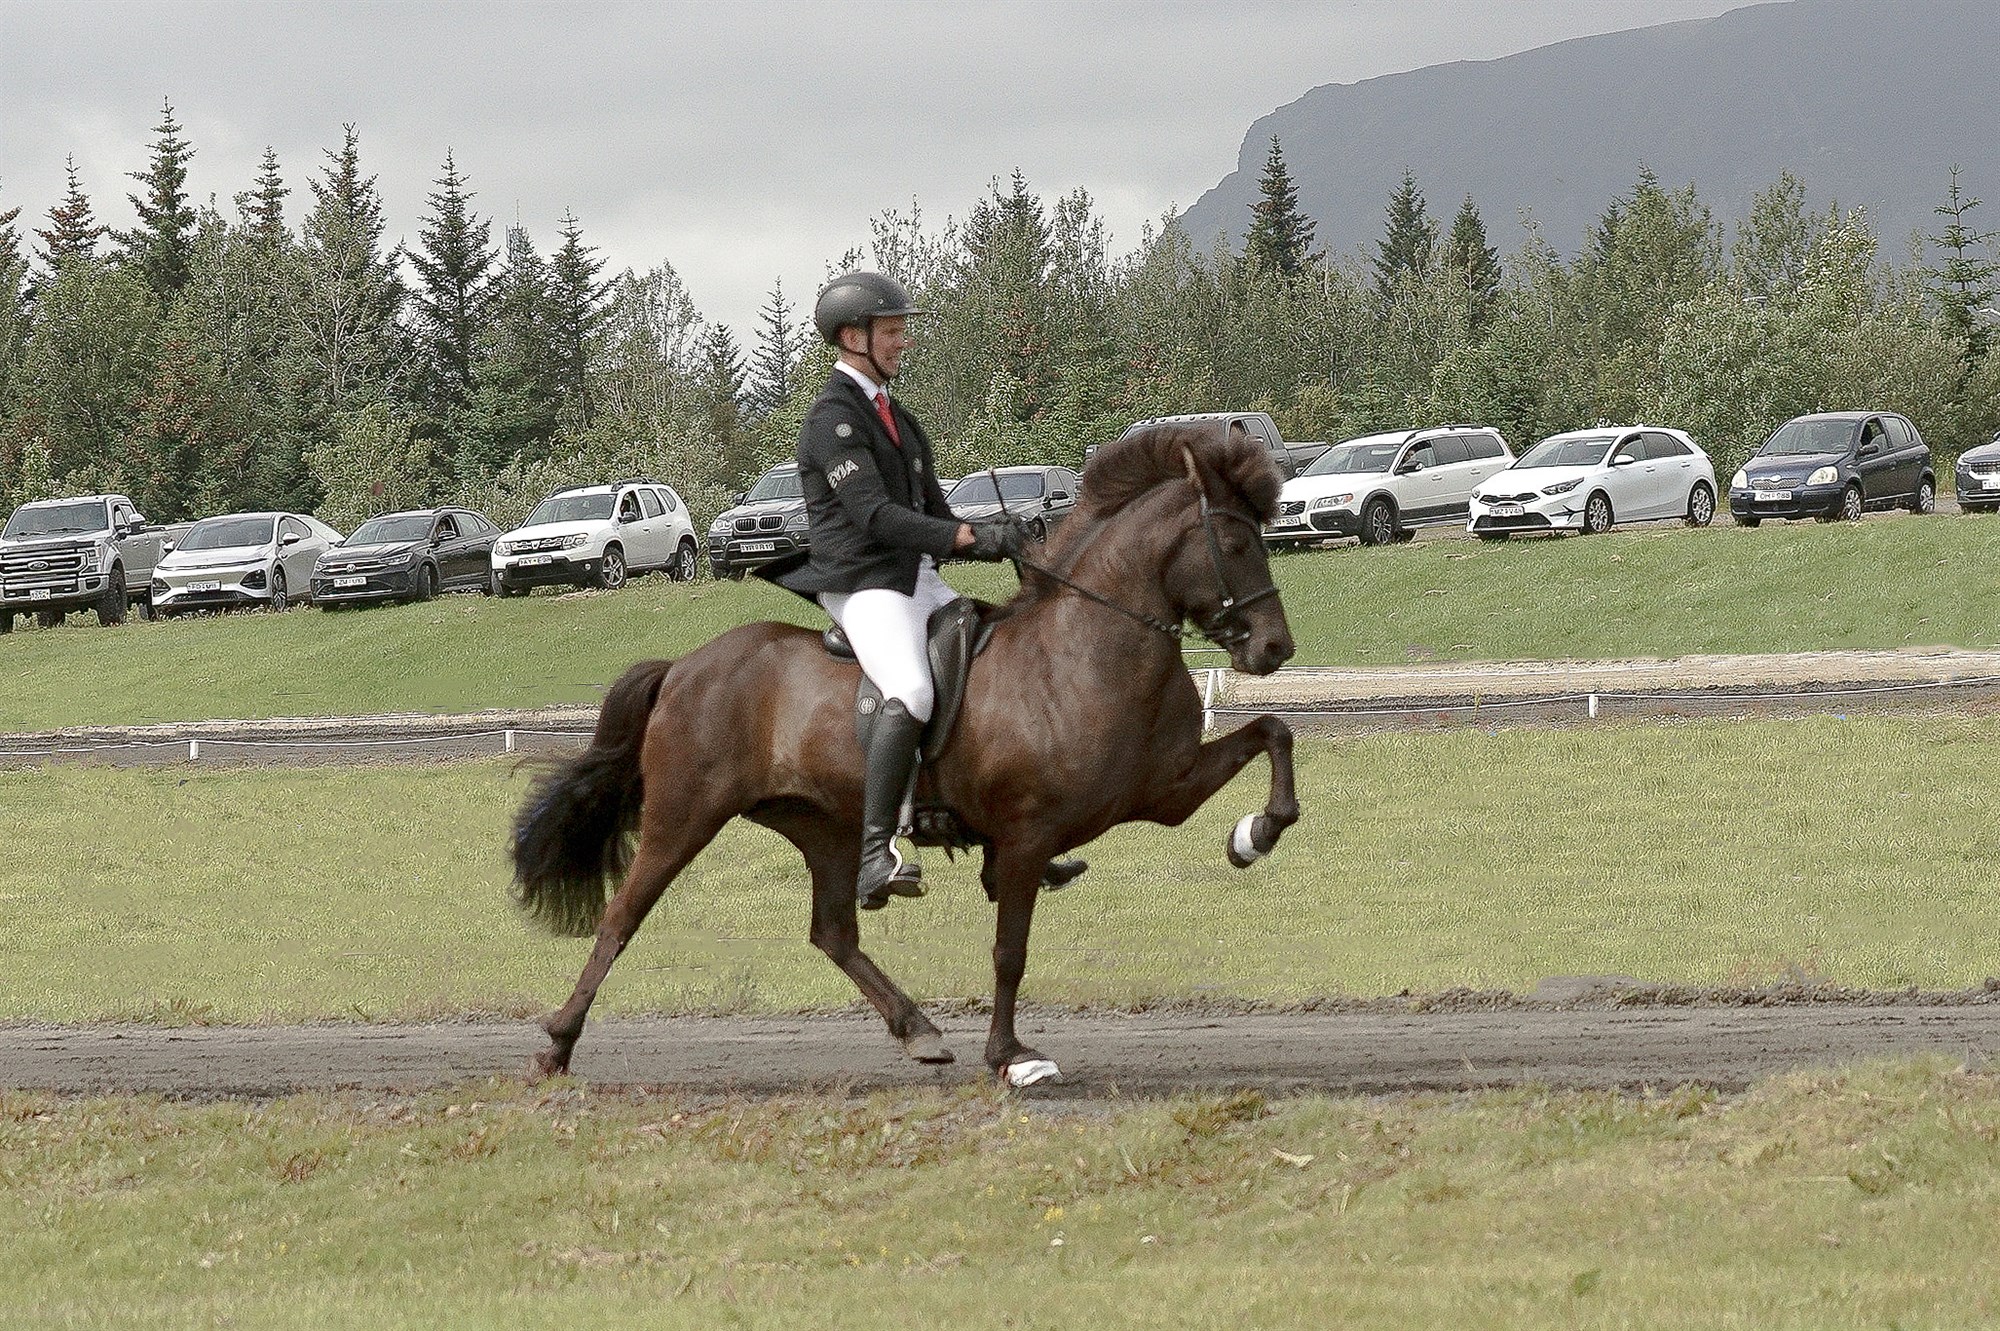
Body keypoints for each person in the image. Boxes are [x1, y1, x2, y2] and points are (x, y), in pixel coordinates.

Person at [769, 271, 1028, 910]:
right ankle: (873, 855)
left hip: (915, 580)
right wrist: (964, 539)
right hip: (864, 585)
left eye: (901, 330)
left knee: (1000, 656)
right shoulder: (832, 421)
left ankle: (1010, 837)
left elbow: (933, 512)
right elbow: (875, 517)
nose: (902, 341)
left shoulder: (901, 423)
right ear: (851, 337)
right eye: (891, 331)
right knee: (911, 689)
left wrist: (995, 534)